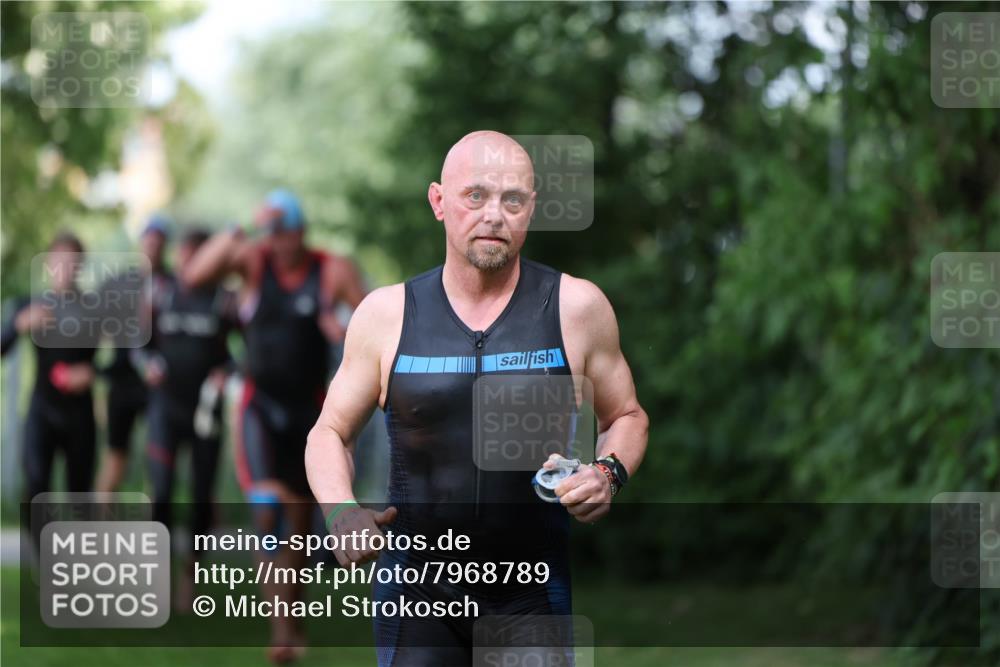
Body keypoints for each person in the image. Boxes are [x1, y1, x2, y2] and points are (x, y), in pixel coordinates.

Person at [304, 131, 649, 666]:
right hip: (415, 591)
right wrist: (341, 512)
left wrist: (608, 472)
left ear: (532, 207)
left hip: (530, 592)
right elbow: (329, 432)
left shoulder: (576, 307)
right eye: (475, 195)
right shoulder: (386, 314)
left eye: (512, 200)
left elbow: (626, 415)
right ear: (439, 201)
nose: (494, 215)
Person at [183, 189, 366, 663]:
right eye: (274, 233)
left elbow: (375, 324)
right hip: (259, 408)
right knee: (268, 512)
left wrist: (345, 331)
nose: (281, 243)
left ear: (302, 232)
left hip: (310, 413)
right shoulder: (253, 261)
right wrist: (243, 227)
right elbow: (195, 274)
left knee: (299, 528)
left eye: (288, 232)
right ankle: (281, 630)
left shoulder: (331, 270)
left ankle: (292, 618)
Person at [135, 227, 237, 611]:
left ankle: (189, 576)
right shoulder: (161, 293)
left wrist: (227, 372)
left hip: (205, 413)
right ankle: (158, 574)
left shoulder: (224, 300)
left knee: (200, 496)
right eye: (184, 255)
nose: (189, 264)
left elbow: (250, 351)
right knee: (161, 492)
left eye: (197, 256)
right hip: (166, 408)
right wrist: (146, 365)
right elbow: (137, 344)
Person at [1, 232, 102, 501]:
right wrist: (17, 324)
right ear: (48, 263)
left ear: (81, 265)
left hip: (80, 414)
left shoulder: (95, 310)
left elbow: (125, 361)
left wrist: (92, 372)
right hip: (42, 410)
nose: (65, 269)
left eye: (72, 262)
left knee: (80, 494)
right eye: (59, 261)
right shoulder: (32, 305)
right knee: (36, 487)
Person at [96, 214, 171, 493]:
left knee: (159, 460)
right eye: (149, 239)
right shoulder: (119, 283)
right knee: (115, 457)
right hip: (122, 381)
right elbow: (93, 324)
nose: (153, 245)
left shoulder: (174, 283)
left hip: (159, 385)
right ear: (141, 241)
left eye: (159, 241)